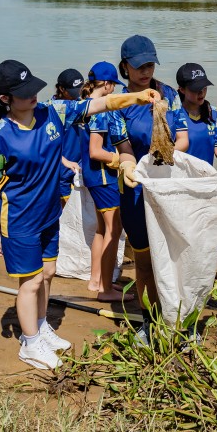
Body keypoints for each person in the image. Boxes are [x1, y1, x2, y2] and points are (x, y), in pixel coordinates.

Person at [0, 59, 160, 370]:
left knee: (48, 274)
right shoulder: (0, 136)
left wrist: (138, 96)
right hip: (20, 217)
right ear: (5, 99)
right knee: (32, 280)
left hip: (50, 212)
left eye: (33, 88)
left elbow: (100, 103)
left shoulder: (54, 111)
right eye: (24, 93)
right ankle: (30, 343)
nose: (33, 95)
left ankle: (40, 326)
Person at [109, 35, 189, 345]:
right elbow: (124, 148)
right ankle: (148, 322)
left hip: (167, 184)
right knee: (143, 261)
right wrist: (129, 166)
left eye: (150, 65)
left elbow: (182, 137)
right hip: (136, 189)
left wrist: (164, 153)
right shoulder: (118, 102)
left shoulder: (168, 94)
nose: (146, 72)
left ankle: (177, 319)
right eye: (139, 66)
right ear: (125, 66)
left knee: (172, 257)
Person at [79, 61, 132, 302]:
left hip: (92, 176)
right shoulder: (100, 110)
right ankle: (106, 289)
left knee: (102, 229)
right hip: (102, 177)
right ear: (109, 85)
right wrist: (120, 159)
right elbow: (95, 150)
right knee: (114, 229)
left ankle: (96, 280)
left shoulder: (85, 105)